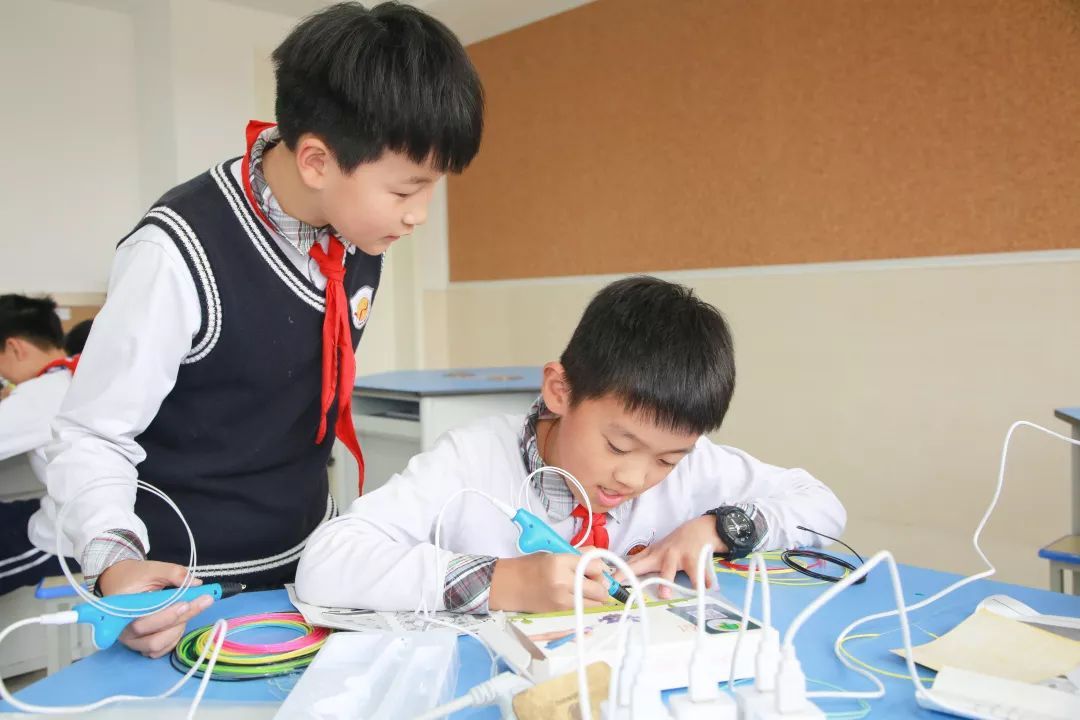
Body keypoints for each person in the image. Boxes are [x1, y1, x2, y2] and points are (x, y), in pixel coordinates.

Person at [38, 1, 484, 657]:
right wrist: (115, 565)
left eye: (431, 188)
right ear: (316, 161)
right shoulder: (176, 253)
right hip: (184, 590)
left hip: (308, 569)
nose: (418, 214)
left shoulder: (358, 233)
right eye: (404, 191)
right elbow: (91, 433)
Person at [296, 276, 846, 614]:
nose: (634, 478)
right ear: (560, 391)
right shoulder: (471, 460)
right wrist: (503, 581)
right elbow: (327, 562)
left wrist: (721, 528)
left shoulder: (696, 469)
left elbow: (821, 504)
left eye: (666, 459)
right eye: (618, 445)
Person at [0, 295, 80, 594]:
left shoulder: (39, 394)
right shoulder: (75, 375)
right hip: (86, 516)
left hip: (68, 540)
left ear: (14, 347)